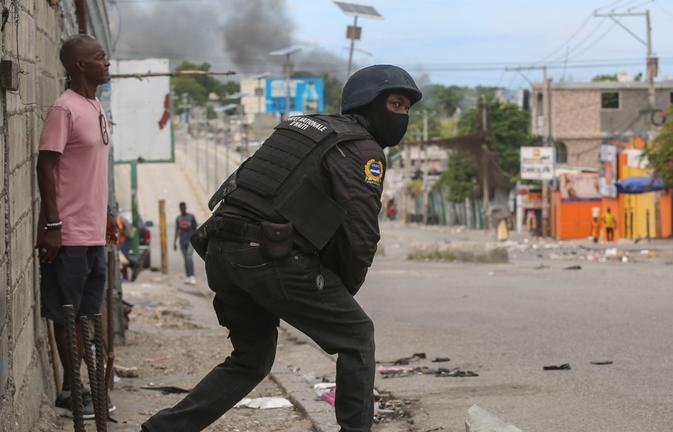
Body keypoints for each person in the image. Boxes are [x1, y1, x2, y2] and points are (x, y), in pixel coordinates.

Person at [142, 64, 422, 432]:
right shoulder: (362, 149)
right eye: (395, 104)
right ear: (367, 104)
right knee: (356, 336)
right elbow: (360, 232)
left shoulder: (302, 127)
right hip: (267, 255)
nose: (401, 115)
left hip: (221, 249)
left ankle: (161, 429)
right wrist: (342, 292)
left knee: (251, 360)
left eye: (406, 108)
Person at [36, 35, 116, 418]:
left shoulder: (94, 105)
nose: (107, 62)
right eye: (100, 58)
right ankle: (73, 388)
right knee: (65, 313)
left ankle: (84, 386)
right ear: (81, 65)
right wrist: (52, 223)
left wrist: (105, 216)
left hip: (92, 233)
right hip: (66, 233)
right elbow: (46, 165)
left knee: (86, 312)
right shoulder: (64, 109)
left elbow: (91, 174)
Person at [174, 201, 198, 284]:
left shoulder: (191, 217)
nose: (182, 209)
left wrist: (196, 239)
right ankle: (188, 276)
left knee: (189, 257)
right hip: (182, 241)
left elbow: (196, 228)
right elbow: (177, 230)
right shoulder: (178, 218)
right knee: (185, 259)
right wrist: (174, 242)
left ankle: (192, 276)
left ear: (185, 208)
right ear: (180, 209)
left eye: (183, 208)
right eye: (181, 208)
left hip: (190, 241)